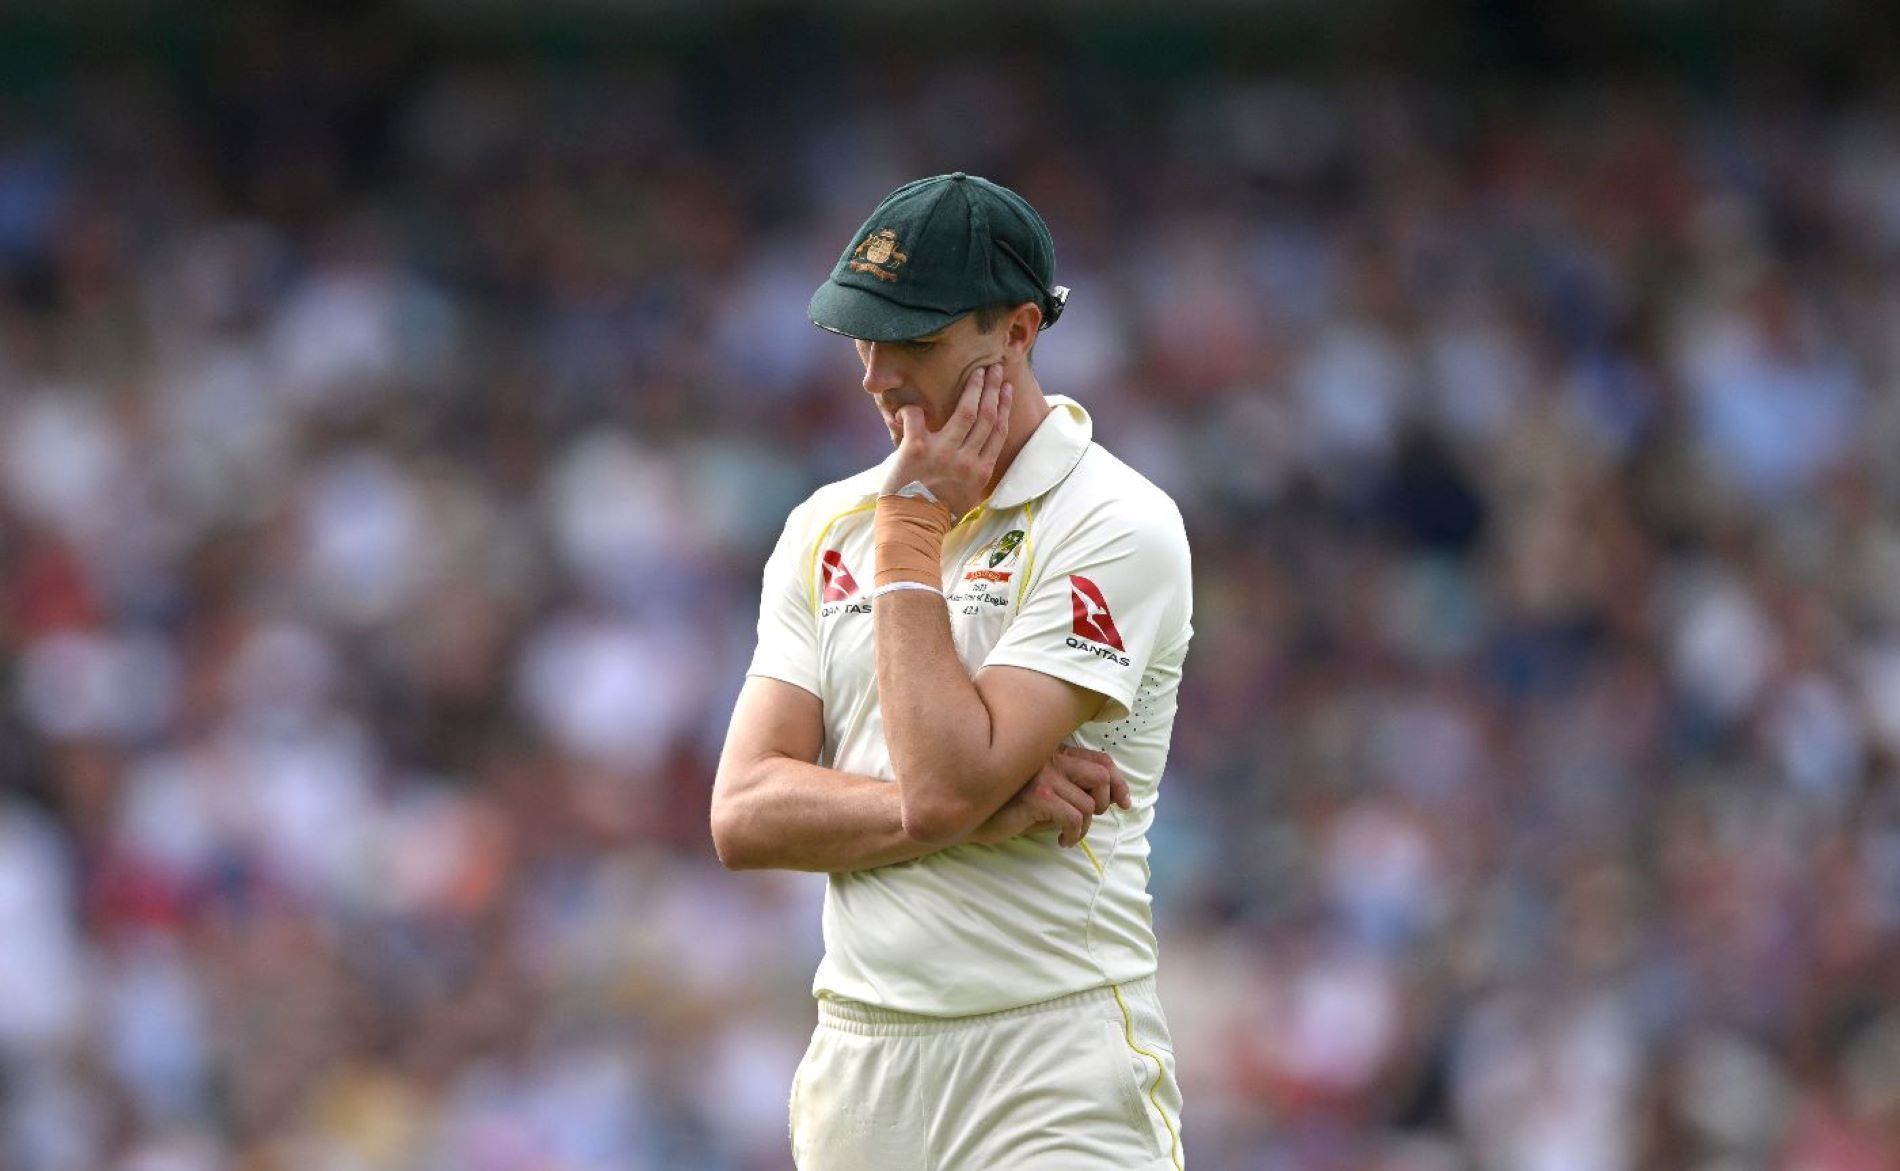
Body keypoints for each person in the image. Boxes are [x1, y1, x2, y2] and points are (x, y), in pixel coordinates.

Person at [712, 172, 1193, 1170]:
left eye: (916, 341)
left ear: (1017, 332)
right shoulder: (821, 525)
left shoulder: (1113, 521)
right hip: (861, 1065)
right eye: (863, 334)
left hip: (1051, 1060)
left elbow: (938, 789)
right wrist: (987, 798)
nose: (875, 376)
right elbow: (744, 813)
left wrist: (908, 532)